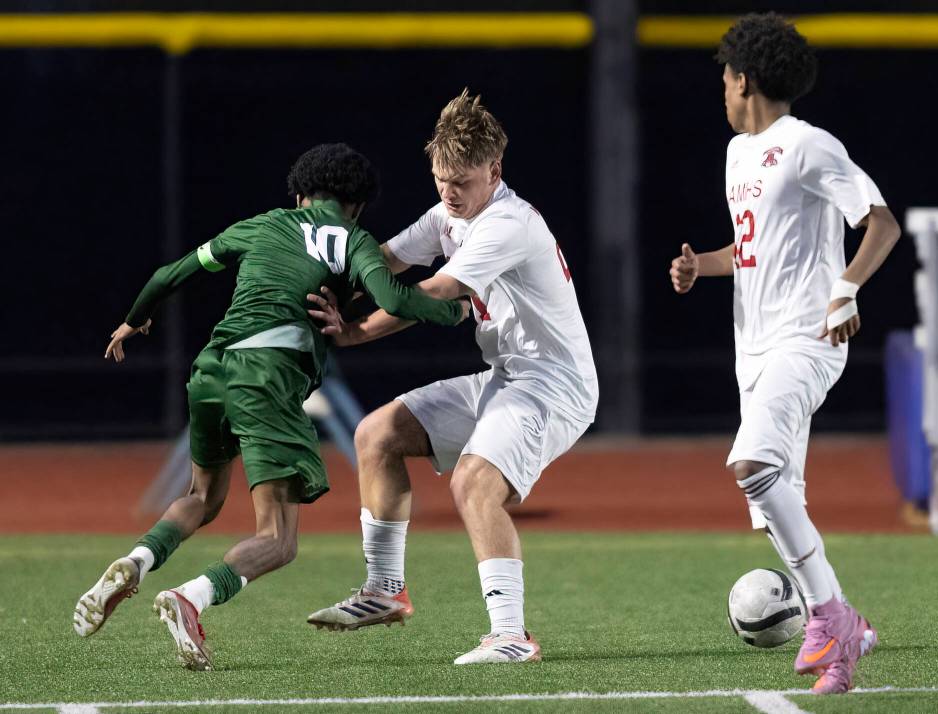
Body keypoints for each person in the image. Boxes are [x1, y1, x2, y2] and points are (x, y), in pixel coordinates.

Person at [73, 143, 467, 671]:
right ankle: (190, 598)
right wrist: (454, 314)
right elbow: (394, 301)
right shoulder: (353, 239)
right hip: (269, 376)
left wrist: (135, 319)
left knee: (202, 496)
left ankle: (137, 560)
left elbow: (170, 274)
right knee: (279, 541)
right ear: (355, 206)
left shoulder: (259, 225)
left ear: (301, 194)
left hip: (213, 367)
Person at [304, 90, 598, 664]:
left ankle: (511, 636)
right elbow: (385, 262)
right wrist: (316, 283)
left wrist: (359, 322)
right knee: (376, 434)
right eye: (440, 179)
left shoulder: (507, 223)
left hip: (553, 387)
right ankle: (384, 592)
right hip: (506, 377)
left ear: (495, 171)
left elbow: (436, 291)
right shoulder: (451, 214)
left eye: (461, 181)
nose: (448, 193)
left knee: (473, 483)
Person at [669, 14, 901, 694]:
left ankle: (831, 615)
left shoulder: (808, 145)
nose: (720, 87)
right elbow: (751, 252)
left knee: (752, 464)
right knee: (772, 502)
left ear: (745, 79)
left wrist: (847, 288)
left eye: (724, 75)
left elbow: (881, 222)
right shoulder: (739, 153)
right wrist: (701, 267)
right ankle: (841, 636)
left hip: (808, 337)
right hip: (755, 348)